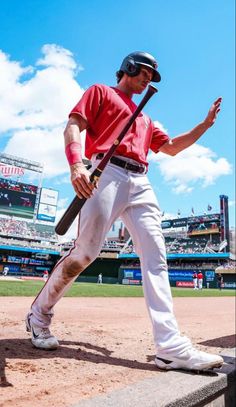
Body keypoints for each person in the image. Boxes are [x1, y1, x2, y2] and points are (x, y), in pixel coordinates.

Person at [26, 51, 223, 372]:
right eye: (145, 72)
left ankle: (170, 345)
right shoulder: (101, 92)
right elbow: (73, 125)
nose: (148, 79)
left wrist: (203, 126)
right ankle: (39, 314)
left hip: (140, 179)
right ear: (129, 67)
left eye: (152, 76)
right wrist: (76, 165)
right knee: (84, 254)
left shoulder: (144, 119)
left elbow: (171, 147)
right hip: (104, 171)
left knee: (155, 255)